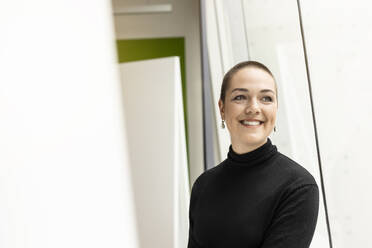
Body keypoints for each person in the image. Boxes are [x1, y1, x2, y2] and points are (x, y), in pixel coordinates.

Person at [187, 61, 319, 248]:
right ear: (222, 108)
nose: (253, 108)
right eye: (240, 97)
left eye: (266, 98)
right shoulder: (203, 185)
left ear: (276, 108)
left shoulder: (298, 186)